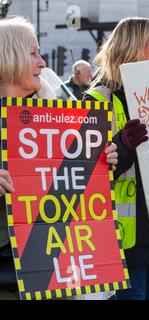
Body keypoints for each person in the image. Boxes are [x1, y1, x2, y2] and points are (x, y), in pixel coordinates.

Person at [0, 16, 117, 297]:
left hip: (53, 267)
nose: (42, 63)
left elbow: (72, 193)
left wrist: (101, 161)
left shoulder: (56, 118)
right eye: (32, 53)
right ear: (8, 57)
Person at [84, 17, 149, 300]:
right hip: (127, 234)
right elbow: (85, 174)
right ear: (134, 50)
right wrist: (123, 144)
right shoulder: (98, 100)